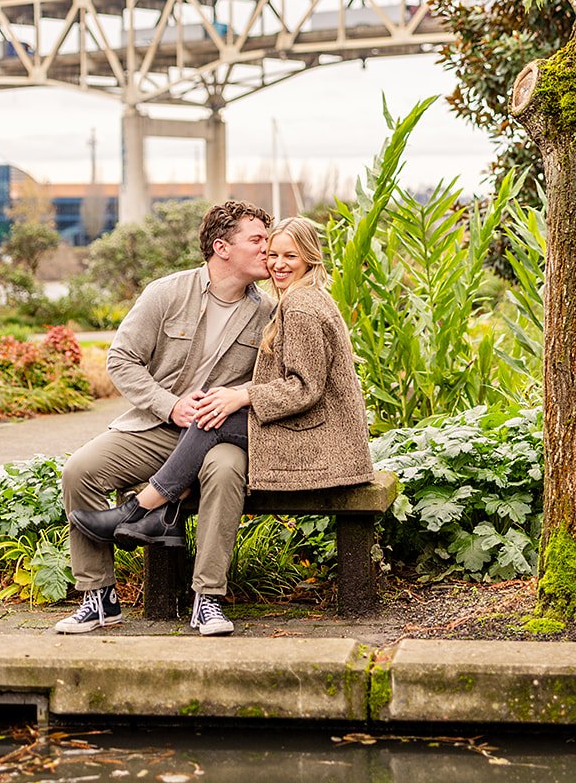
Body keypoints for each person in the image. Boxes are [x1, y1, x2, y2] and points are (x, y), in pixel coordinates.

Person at [55, 199, 273, 640]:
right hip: (155, 426)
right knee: (80, 470)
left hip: (220, 436)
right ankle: (99, 598)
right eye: (258, 240)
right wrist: (169, 404)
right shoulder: (166, 293)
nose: (267, 249)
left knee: (227, 472)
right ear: (221, 247)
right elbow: (122, 359)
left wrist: (236, 400)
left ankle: (207, 598)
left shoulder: (270, 312)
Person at [87, 216, 372, 550]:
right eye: (273, 255)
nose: (278, 264)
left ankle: (139, 509)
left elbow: (303, 387)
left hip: (323, 439)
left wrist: (241, 396)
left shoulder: (299, 306)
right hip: (321, 433)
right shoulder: (301, 298)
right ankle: (157, 513)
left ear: (309, 257)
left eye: (290, 256)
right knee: (213, 412)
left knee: (211, 419)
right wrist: (234, 395)